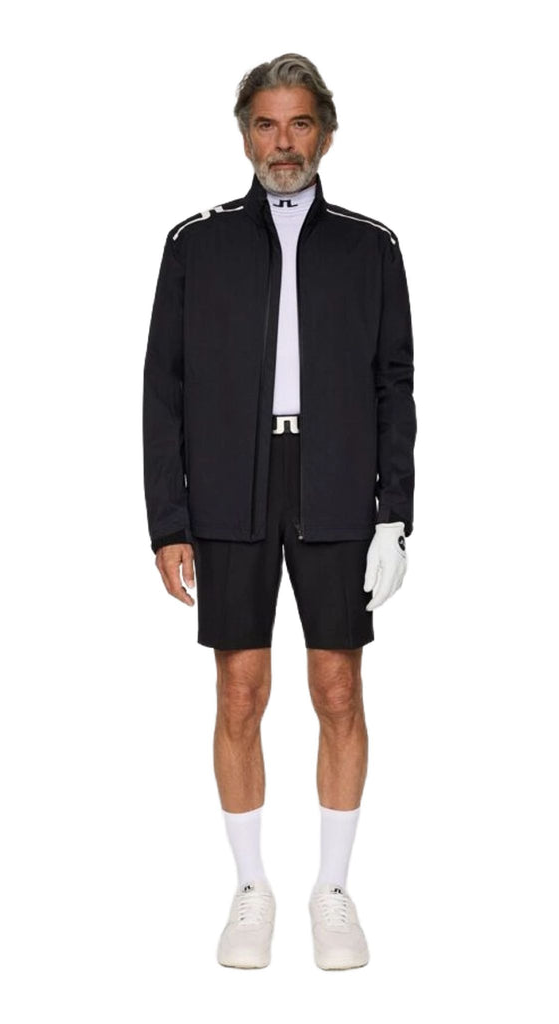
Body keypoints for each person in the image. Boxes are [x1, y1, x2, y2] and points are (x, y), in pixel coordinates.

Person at [142, 53, 416, 970]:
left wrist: (394, 514)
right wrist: (169, 521)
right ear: (245, 135)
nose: (283, 142)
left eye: (300, 124)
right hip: (231, 483)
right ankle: (250, 887)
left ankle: (332, 890)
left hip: (335, 480)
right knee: (240, 692)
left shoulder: (371, 249)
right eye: (266, 124)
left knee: (338, 689)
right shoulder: (197, 245)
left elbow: (394, 385)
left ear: (325, 134)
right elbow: (164, 390)